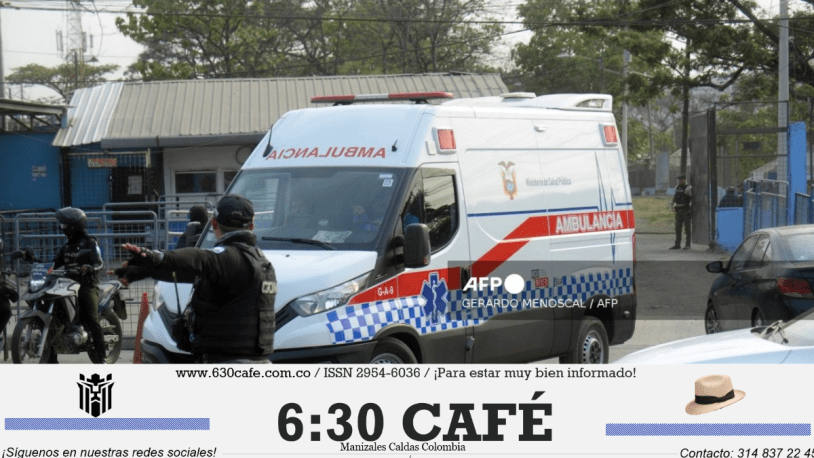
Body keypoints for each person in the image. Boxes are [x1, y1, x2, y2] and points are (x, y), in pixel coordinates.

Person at [116, 194, 276, 364]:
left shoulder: (227, 259)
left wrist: (158, 257)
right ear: (252, 226)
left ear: (214, 223)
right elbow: (190, 273)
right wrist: (145, 271)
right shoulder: (261, 262)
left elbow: (200, 258)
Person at [13, 207, 106, 363]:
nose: (62, 228)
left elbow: (99, 263)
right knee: (55, 316)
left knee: (92, 319)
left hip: (87, 285)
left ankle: (102, 358)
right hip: (67, 284)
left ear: (73, 226)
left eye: (64, 225)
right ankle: (51, 358)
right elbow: (52, 265)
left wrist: (90, 268)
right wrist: (33, 260)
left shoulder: (90, 242)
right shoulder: (67, 246)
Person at [670, 174, 692, 250]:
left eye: (681, 179)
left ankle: (688, 245)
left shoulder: (688, 188)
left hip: (686, 209)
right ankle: (677, 244)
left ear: (685, 179)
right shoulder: (677, 187)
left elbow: (692, 198)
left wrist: (691, 209)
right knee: (678, 228)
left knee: (687, 228)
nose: (680, 181)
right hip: (678, 209)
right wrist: (672, 203)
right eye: (679, 179)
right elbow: (675, 196)